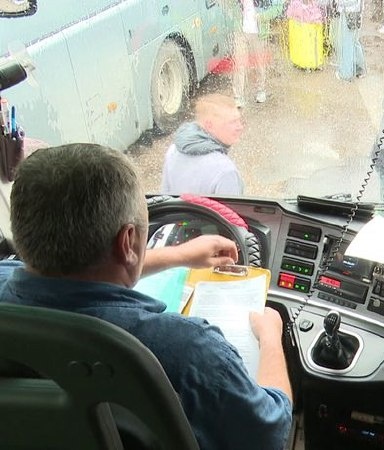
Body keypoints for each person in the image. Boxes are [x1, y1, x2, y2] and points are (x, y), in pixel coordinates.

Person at [0, 143, 293, 450]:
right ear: (128, 240)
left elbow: (71, 274)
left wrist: (178, 255)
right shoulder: (191, 350)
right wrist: (271, 338)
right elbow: (270, 434)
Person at [161, 94, 245, 196]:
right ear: (209, 125)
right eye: (232, 122)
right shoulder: (226, 172)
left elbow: (165, 197)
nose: (240, 127)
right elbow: (230, 207)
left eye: (239, 120)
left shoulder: (173, 150)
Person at [225, 0, 284, 107]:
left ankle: (261, 90)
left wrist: (263, 16)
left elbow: (278, 7)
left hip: (259, 33)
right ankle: (238, 96)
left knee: (259, 64)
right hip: (240, 31)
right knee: (239, 65)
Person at [333, 0, 367, 81]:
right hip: (356, 12)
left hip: (348, 12)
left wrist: (338, 2)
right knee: (354, 42)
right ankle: (359, 69)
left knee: (347, 43)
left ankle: (346, 74)